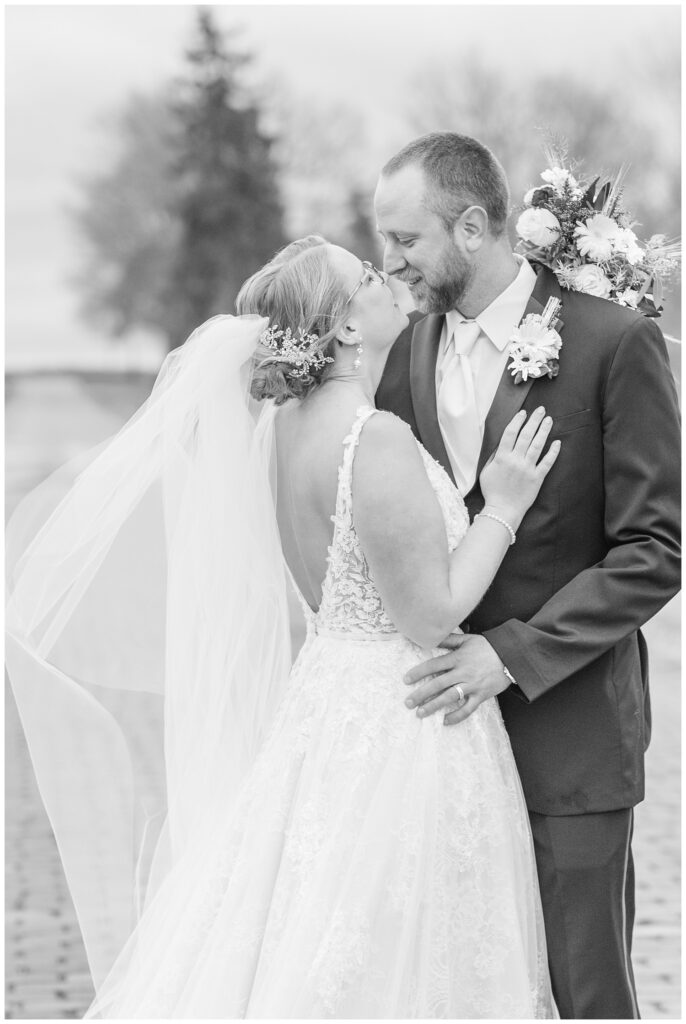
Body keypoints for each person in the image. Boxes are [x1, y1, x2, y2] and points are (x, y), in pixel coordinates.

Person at [6, 235, 562, 1018]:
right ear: (342, 329)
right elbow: (432, 613)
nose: (386, 276)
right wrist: (503, 508)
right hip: (404, 715)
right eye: (367, 275)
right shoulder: (375, 438)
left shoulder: (288, 432)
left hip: (326, 703)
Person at [374, 132, 681, 1019]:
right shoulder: (408, 353)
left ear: (473, 226)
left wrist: (509, 655)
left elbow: (654, 551)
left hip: (572, 734)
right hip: (441, 748)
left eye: (406, 240)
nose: (389, 260)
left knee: (584, 995)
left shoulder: (614, 342)